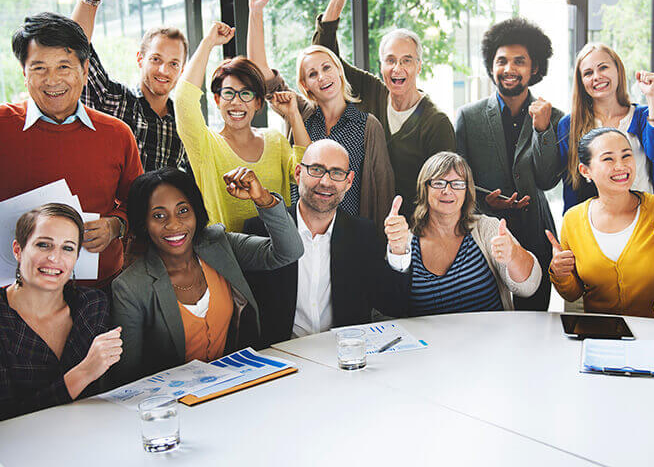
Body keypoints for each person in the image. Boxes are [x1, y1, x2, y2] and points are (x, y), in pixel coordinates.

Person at [110, 167, 303, 384]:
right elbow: (127, 377)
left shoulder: (220, 244)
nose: (174, 224)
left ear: (196, 211)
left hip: (237, 388)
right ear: (144, 224)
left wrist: (263, 199)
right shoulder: (130, 287)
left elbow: (289, 252)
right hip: (174, 406)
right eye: (158, 215)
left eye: (183, 211)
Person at [0, 12, 144, 290]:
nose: (52, 80)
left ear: (85, 69)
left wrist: (116, 226)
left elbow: (139, 205)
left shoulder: (117, 134)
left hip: (97, 290)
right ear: (23, 72)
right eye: (39, 68)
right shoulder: (2, 125)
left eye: (64, 67)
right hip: (12, 295)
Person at [246, 0, 395, 229]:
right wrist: (256, 12)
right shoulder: (299, 112)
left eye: (327, 68)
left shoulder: (367, 125)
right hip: (299, 231)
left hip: (348, 236)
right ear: (305, 86)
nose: (322, 77)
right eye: (312, 74)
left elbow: (382, 191)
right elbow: (261, 76)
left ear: (339, 70)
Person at [309, 0, 456, 218]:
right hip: (361, 218)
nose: (397, 68)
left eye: (406, 61)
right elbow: (325, 55)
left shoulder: (435, 122)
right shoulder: (371, 90)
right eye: (390, 60)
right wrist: (337, 0)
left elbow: (443, 189)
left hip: (409, 229)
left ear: (419, 66)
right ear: (381, 65)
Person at [242, 139, 408, 346]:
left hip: (343, 359)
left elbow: (393, 305)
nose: (325, 182)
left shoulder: (362, 234)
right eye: (316, 170)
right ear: (298, 173)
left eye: (336, 173)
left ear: (348, 182)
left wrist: (398, 251)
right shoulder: (259, 230)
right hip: (280, 360)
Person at [455, 18, 562, 311]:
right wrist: (482, 199)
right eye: (501, 61)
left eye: (520, 61)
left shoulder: (554, 117)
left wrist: (542, 131)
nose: (509, 69)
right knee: (489, 317)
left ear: (535, 68)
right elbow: (459, 177)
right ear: (491, 66)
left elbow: (547, 180)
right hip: (484, 233)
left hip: (536, 232)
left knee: (535, 320)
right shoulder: (468, 116)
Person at [173, 16, 310, 232]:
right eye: (228, 93)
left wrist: (294, 115)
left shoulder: (275, 140)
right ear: (217, 100)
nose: (236, 101)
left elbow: (306, 174)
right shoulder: (205, 145)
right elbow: (183, 100)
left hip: (279, 252)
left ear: (257, 102)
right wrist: (208, 42)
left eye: (246, 94)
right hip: (229, 258)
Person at [547, 128, 654, 317]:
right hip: (600, 335)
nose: (621, 166)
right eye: (608, 159)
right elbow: (572, 294)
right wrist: (560, 274)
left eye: (626, 156)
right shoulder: (572, 219)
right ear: (586, 170)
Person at [1, 204, 122, 420]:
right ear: (18, 250)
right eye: (44, 245)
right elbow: (6, 418)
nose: (55, 258)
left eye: (67, 248)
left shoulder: (92, 306)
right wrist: (83, 373)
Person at [385, 152, 541, 315]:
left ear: (467, 190)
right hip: (430, 340)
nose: (447, 190)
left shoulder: (487, 228)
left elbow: (528, 288)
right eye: (439, 183)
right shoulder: (404, 240)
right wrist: (397, 252)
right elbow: (390, 307)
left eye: (457, 184)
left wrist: (513, 255)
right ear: (425, 188)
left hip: (490, 338)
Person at [71, 0, 189, 172]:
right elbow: (76, 49)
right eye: (156, 59)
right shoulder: (114, 100)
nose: (163, 70)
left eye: (173, 64)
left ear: (181, 70)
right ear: (140, 59)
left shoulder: (184, 124)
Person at [558, 43, 654, 212]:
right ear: (581, 82)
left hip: (646, 217)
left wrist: (652, 97)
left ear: (618, 70)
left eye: (603, 68)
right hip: (599, 223)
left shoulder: (642, 115)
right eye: (588, 73)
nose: (596, 76)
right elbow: (571, 184)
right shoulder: (570, 124)